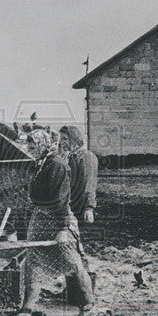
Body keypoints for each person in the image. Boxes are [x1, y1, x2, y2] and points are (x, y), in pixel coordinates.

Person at [16, 128, 95, 316]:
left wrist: (62, 228)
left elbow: (61, 199)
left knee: (72, 262)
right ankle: (27, 308)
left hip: (56, 219)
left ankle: (88, 307)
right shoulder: (41, 165)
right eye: (29, 145)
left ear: (43, 144)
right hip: (40, 219)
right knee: (33, 262)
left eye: (33, 145)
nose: (30, 148)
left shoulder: (58, 166)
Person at [60, 124, 98, 304]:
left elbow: (90, 184)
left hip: (81, 209)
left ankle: (84, 292)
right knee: (73, 248)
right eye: (62, 139)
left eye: (66, 139)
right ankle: (76, 288)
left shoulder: (87, 157)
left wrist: (90, 207)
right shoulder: (71, 157)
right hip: (71, 209)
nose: (62, 143)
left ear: (74, 139)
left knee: (78, 250)